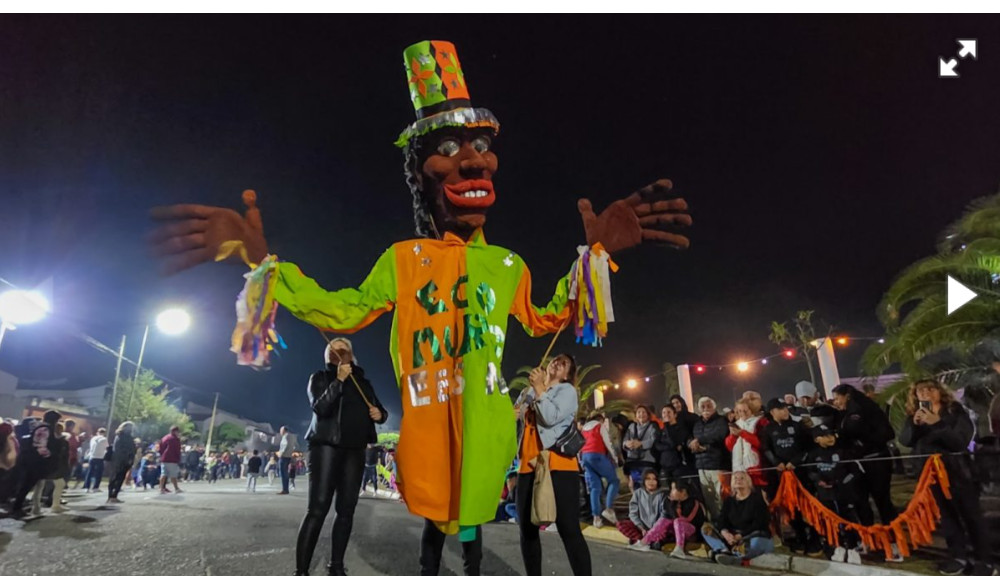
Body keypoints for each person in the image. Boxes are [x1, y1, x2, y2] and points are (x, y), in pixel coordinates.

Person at [151, 39, 691, 576]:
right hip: (429, 430)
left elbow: (550, 318)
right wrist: (265, 263)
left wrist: (594, 257)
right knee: (434, 530)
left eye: (481, 145)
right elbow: (343, 311)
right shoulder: (403, 259)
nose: (476, 160)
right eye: (453, 149)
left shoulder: (507, 265)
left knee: (474, 530)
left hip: (485, 433)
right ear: (420, 173)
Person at [295, 337, 388, 576]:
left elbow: (379, 409)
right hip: (325, 446)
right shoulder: (319, 378)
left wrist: (380, 414)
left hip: (355, 449)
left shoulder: (363, 383)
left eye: (343, 349)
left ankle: (336, 565)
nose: (337, 353)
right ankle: (301, 570)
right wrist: (338, 380)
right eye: (332, 350)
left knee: (346, 511)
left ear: (351, 355)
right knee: (317, 509)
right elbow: (320, 407)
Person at [899, 380, 995, 576]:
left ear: (939, 391)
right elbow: (905, 441)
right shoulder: (914, 415)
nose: (925, 393)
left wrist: (938, 423)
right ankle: (958, 557)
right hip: (930, 477)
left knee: (971, 517)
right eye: (920, 391)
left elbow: (960, 442)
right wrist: (915, 426)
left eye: (930, 389)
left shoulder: (954, 411)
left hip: (958, 474)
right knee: (947, 518)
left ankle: (984, 560)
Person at [515, 354, 592, 576]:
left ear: (568, 374)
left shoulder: (567, 391)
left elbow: (550, 417)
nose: (557, 363)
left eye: (564, 363)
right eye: (555, 360)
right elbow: (515, 417)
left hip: (558, 465)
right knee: (527, 529)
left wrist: (540, 388)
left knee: (568, 528)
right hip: (528, 464)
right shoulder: (529, 391)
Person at [830, 385, 899, 528]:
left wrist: (862, 442)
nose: (836, 402)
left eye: (837, 398)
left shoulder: (865, 409)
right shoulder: (846, 413)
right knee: (860, 500)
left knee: (882, 500)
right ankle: (868, 537)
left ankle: (893, 538)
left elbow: (887, 433)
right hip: (857, 462)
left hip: (876, 460)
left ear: (847, 396)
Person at [760, 398, 818, 555]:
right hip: (783, 477)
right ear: (772, 412)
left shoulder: (798, 426)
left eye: (785, 408)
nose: (785, 411)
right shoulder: (768, 429)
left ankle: (815, 540)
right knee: (791, 509)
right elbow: (766, 449)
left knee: (808, 507)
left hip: (801, 474)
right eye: (781, 409)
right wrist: (776, 462)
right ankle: (800, 538)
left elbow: (808, 448)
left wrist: (796, 461)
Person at [804, 425, 864, 565]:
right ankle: (838, 546)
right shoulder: (813, 454)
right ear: (816, 439)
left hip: (844, 495)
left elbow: (854, 472)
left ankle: (853, 547)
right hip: (825, 496)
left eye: (831, 434)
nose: (830, 438)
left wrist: (839, 483)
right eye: (825, 436)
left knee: (847, 520)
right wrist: (819, 481)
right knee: (830, 522)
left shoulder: (843, 452)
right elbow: (810, 472)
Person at [701, 470, 774, 566]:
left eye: (742, 478)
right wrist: (725, 533)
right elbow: (722, 519)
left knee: (757, 542)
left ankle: (735, 556)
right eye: (735, 478)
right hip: (732, 536)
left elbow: (760, 523)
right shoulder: (729, 501)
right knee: (706, 529)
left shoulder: (757, 500)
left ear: (749, 483)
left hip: (750, 535)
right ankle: (723, 550)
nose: (738, 480)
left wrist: (740, 536)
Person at [689, 396, 729, 519]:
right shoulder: (697, 424)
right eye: (703, 406)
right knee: (709, 498)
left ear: (714, 407)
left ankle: (726, 523)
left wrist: (701, 443)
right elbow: (691, 437)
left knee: (722, 496)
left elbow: (719, 435)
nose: (706, 409)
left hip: (718, 464)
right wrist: (691, 443)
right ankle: (715, 525)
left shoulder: (721, 420)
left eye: (708, 406)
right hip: (702, 465)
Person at [579, 410, 621, 528]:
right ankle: (608, 509)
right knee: (614, 481)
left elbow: (580, 446)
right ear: (600, 419)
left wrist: (581, 461)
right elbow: (608, 443)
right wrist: (615, 458)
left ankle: (596, 518)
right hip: (597, 455)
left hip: (586, 458)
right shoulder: (599, 426)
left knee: (595, 488)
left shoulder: (584, 429)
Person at [618, 468, 667, 551]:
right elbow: (633, 513)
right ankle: (640, 540)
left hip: (657, 528)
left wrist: (653, 530)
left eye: (654, 479)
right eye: (648, 479)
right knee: (621, 524)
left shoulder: (662, 495)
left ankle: (653, 541)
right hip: (642, 528)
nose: (651, 482)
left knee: (668, 529)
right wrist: (641, 527)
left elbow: (664, 514)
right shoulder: (638, 493)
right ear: (643, 480)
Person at [660, 478, 706, 559]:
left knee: (677, 521)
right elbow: (669, 517)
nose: (671, 491)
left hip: (691, 531)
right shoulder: (672, 502)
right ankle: (646, 542)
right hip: (675, 532)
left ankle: (679, 548)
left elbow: (690, 519)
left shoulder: (693, 502)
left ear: (683, 492)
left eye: (674, 489)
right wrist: (671, 504)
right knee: (663, 521)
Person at [724, 399, 765, 487]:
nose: (743, 413)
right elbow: (729, 446)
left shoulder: (759, 422)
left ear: (751, 409)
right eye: (739, 411)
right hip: (738, 467)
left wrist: (742, 433)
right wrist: (733, 436)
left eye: (745, 410)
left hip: (755, 466)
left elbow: (760, 443)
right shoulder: (736, 424)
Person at [655, 403, 696, 487]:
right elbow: (657, 445)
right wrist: (670, 447)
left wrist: (667, 427)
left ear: (675, 414)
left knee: (680, 488)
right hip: (665, 465)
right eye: (664, 412)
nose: (666, 415)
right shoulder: (661, 430)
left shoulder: (681, 429)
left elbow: (674, 442)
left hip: (678, 465)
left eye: (669, 412)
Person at [33, 421, 70, 514]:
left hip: (41, 464)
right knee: (59, 484)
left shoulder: (45, 438)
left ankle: (36, 507)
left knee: (39, 486)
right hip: (54, 466)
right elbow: (63, 455)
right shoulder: (61, 441)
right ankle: (55, 505)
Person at [622, 406, 658, 489]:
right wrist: (628, 444)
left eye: (643, 412)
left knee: (647, 483)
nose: (641, 414)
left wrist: (641, 444)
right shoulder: (631, 426)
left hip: (647, 460)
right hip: (633, 461)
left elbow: (653, 440)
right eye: (639, 412)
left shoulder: (653, 426)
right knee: (635, 484)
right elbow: (624, 441)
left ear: (648, 414)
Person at [107, 421, 136, 504]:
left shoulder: (118, 435)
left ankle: (110, 496)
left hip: (116, 459)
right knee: (119, 478)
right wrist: (130, 459)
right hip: (124, 460)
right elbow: (129, 449)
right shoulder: (127, 437)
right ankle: (114, 495)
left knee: (113, 477)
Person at [159, 425, 184, 494]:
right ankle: (176, 488)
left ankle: (161, 489)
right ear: (175, 431)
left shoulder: (164, 438)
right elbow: (177, 450)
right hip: (172, 459)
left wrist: (162, 455)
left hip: (164, 458)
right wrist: (178, 458)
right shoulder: (175, 439)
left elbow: (160, 448)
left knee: (163, 474)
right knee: (173, 475)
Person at [83, 427, 108, 492]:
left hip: (92, 456)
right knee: (99, 473)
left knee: (90, 472)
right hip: (100, 457)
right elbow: (106, 447)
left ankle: (87, 487)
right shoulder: (104, 439)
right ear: (104, 433)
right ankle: (95, 487)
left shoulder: (93, 438)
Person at [278, 426, 296, 495]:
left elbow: (285, 445)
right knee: (285, 473)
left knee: (283, 473)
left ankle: (285, 489)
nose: (280, 432)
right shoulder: (292, 436)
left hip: (284, 456)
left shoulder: (286, 436)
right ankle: (286, 489)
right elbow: (293, 446)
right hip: (288, 456)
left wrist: (281, 453)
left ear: (284, 431)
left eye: (281, 430)